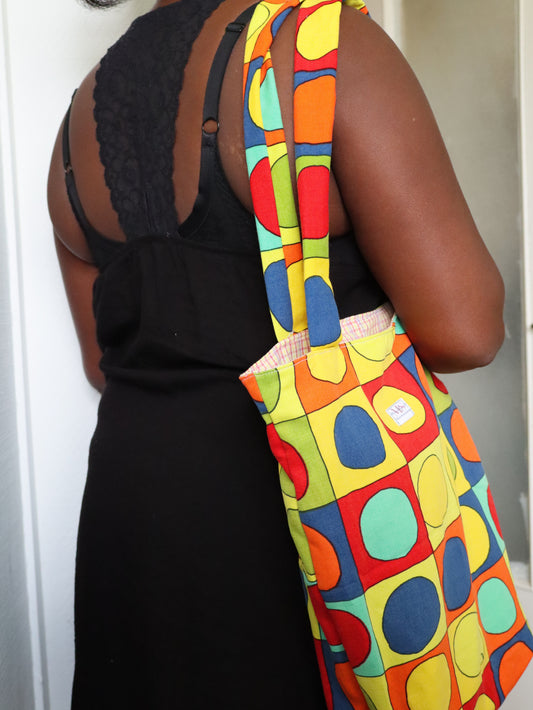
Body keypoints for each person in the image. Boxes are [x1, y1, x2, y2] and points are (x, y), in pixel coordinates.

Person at [47, 0, 505, 707]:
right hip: (311, 530)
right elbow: (466, 331)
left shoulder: (77, 121)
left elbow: (103, 365)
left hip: (133, 528)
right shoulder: (322, 45)